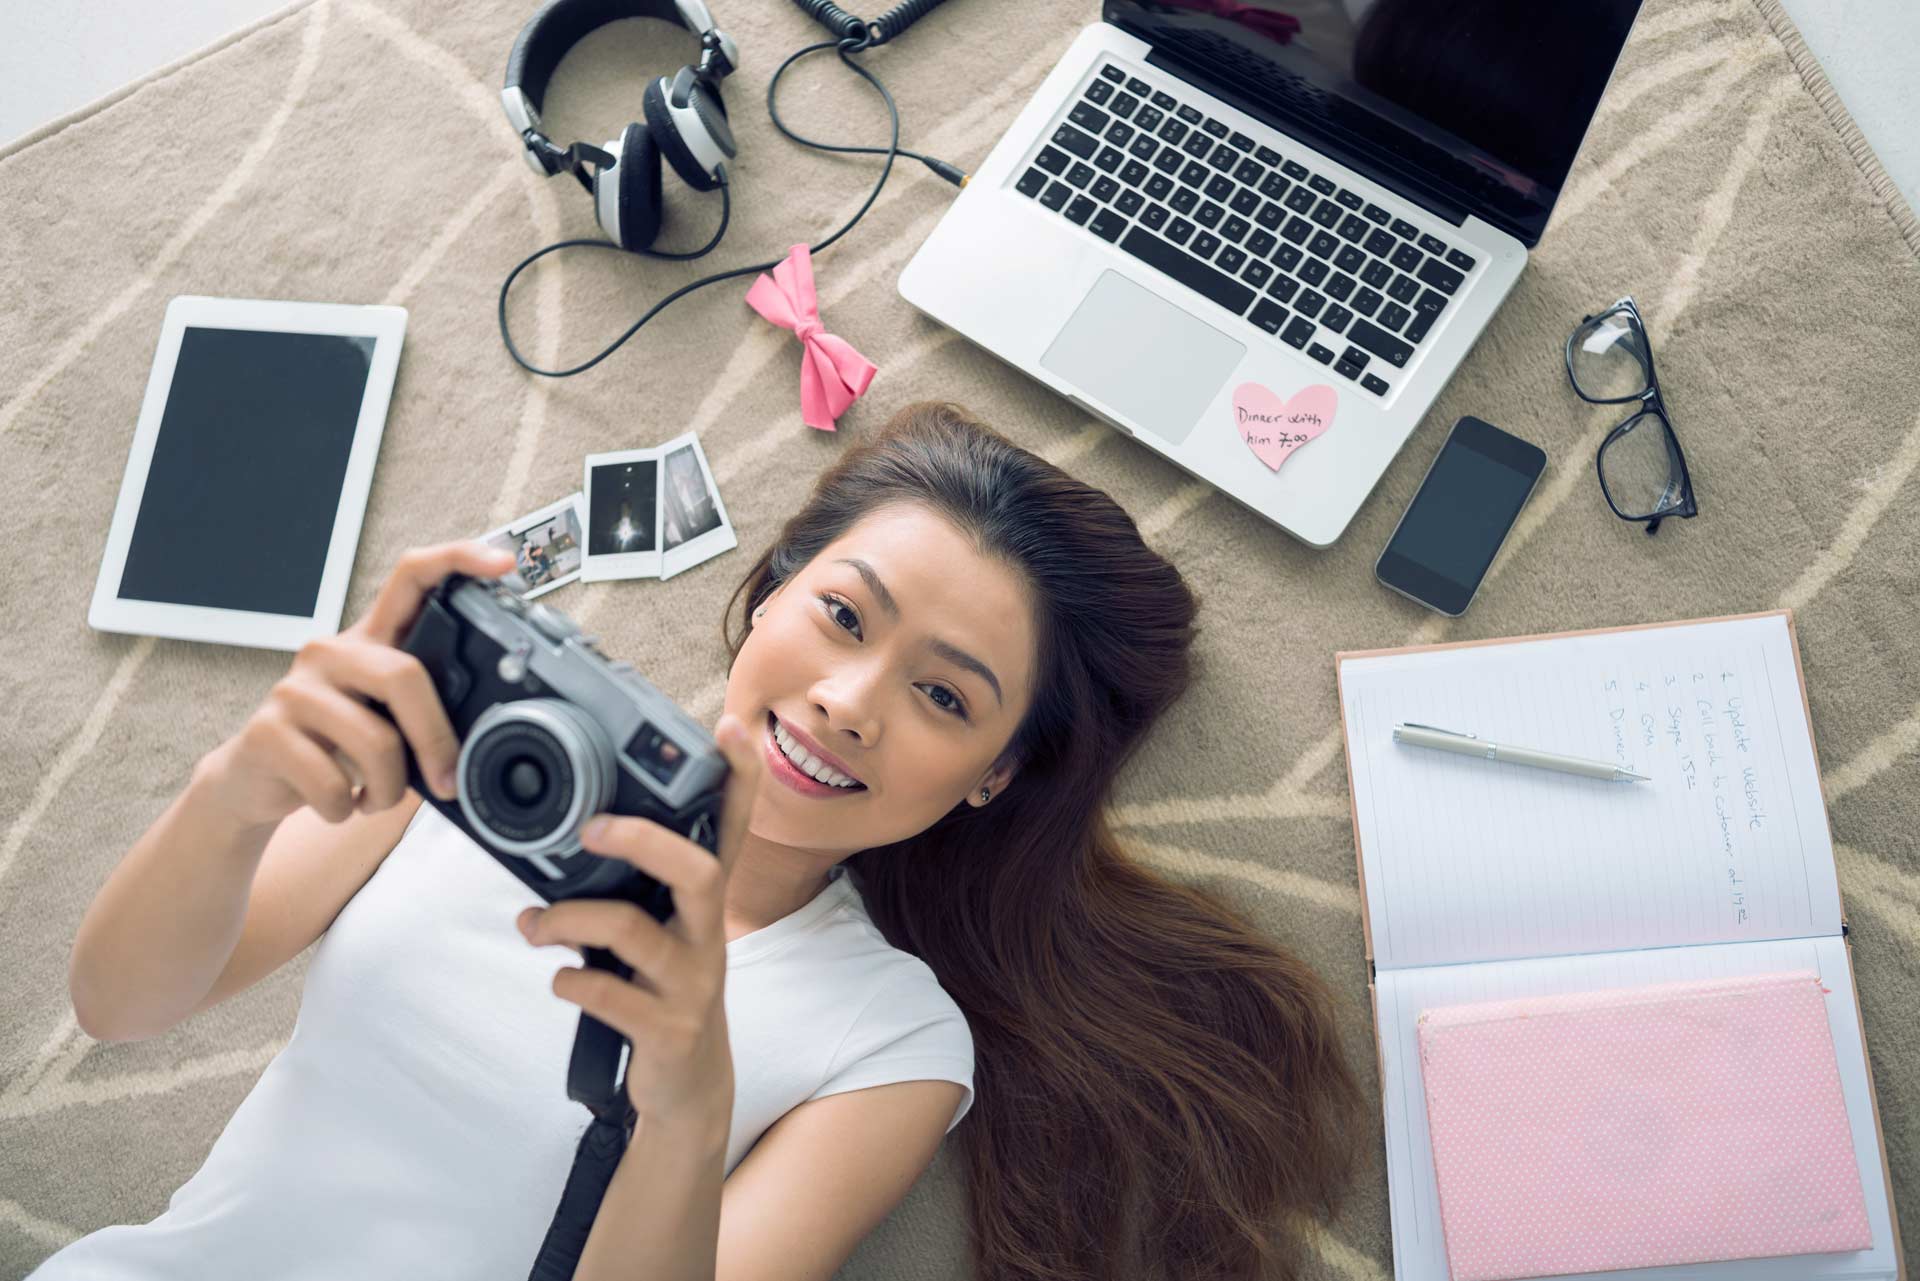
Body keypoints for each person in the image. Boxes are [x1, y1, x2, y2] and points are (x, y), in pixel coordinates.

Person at [47, 401, 1365, 1281]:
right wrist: (237, 790)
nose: (851, 700)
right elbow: (113, 1004)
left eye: (945, 696)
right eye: (845, 615)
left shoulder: (891, 1039)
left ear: (993, 776)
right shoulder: (493, 751)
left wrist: (683, 1090)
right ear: (773, 586)